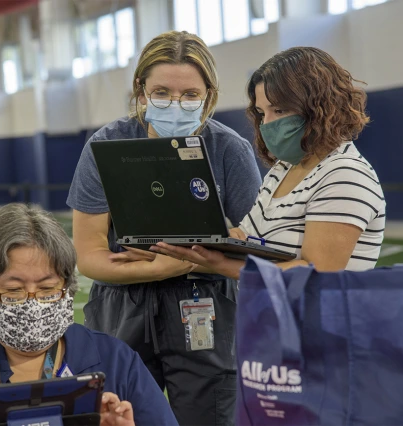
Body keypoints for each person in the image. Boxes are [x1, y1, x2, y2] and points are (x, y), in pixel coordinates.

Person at [67, 31, 262, 425]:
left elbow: (253, 245)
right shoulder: (106, 147)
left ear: (209, 94)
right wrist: (166, 266)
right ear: (141, 91)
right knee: (118, 416)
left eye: (190, 94)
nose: (176, 104)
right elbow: (88, 257)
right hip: (122, 304)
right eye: (162, 92)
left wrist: (184, 260)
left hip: (206, 305)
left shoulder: (229, 150)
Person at [0, 203, 178, 426]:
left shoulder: (116, 359)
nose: (33, 304)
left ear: (68, 288)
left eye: (48, 289)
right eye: (13, 291)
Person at [152, 46, 386, 277]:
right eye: (262, 113)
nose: (267, 124)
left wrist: (221, 264)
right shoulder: (283, 169)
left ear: (320, 106)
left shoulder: (344, 174)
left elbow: (316, 273)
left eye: (280, 110)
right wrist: (181, 250)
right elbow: (248, 241)